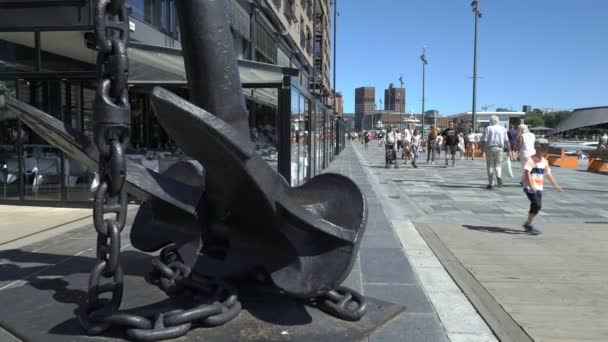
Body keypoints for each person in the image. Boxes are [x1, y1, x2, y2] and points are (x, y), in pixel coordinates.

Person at [522, 139, 562, 235]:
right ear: (536, 148)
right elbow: (527, 172)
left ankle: (528, 224)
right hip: (529, 186)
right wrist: (531, 185)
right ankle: (529, 225)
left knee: (536, 206)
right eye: (543, 148)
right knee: (537, 204)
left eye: (546, 149)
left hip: (539, 187)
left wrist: (556, 185)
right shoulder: (531, 159)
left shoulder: (545, 161)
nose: (544, 150)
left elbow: (548, 175)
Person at [481, 115, 512, 189]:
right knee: (498, 165)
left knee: (490, 165)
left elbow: (485, 141)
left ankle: (491, 183)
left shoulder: (488, 128)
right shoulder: (503, 128)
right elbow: (506, 140)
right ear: (498, 121)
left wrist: (483, 150)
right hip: (499, 148)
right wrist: (509, 150)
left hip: (490, 148)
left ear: (491, 121)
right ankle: (499, 177)